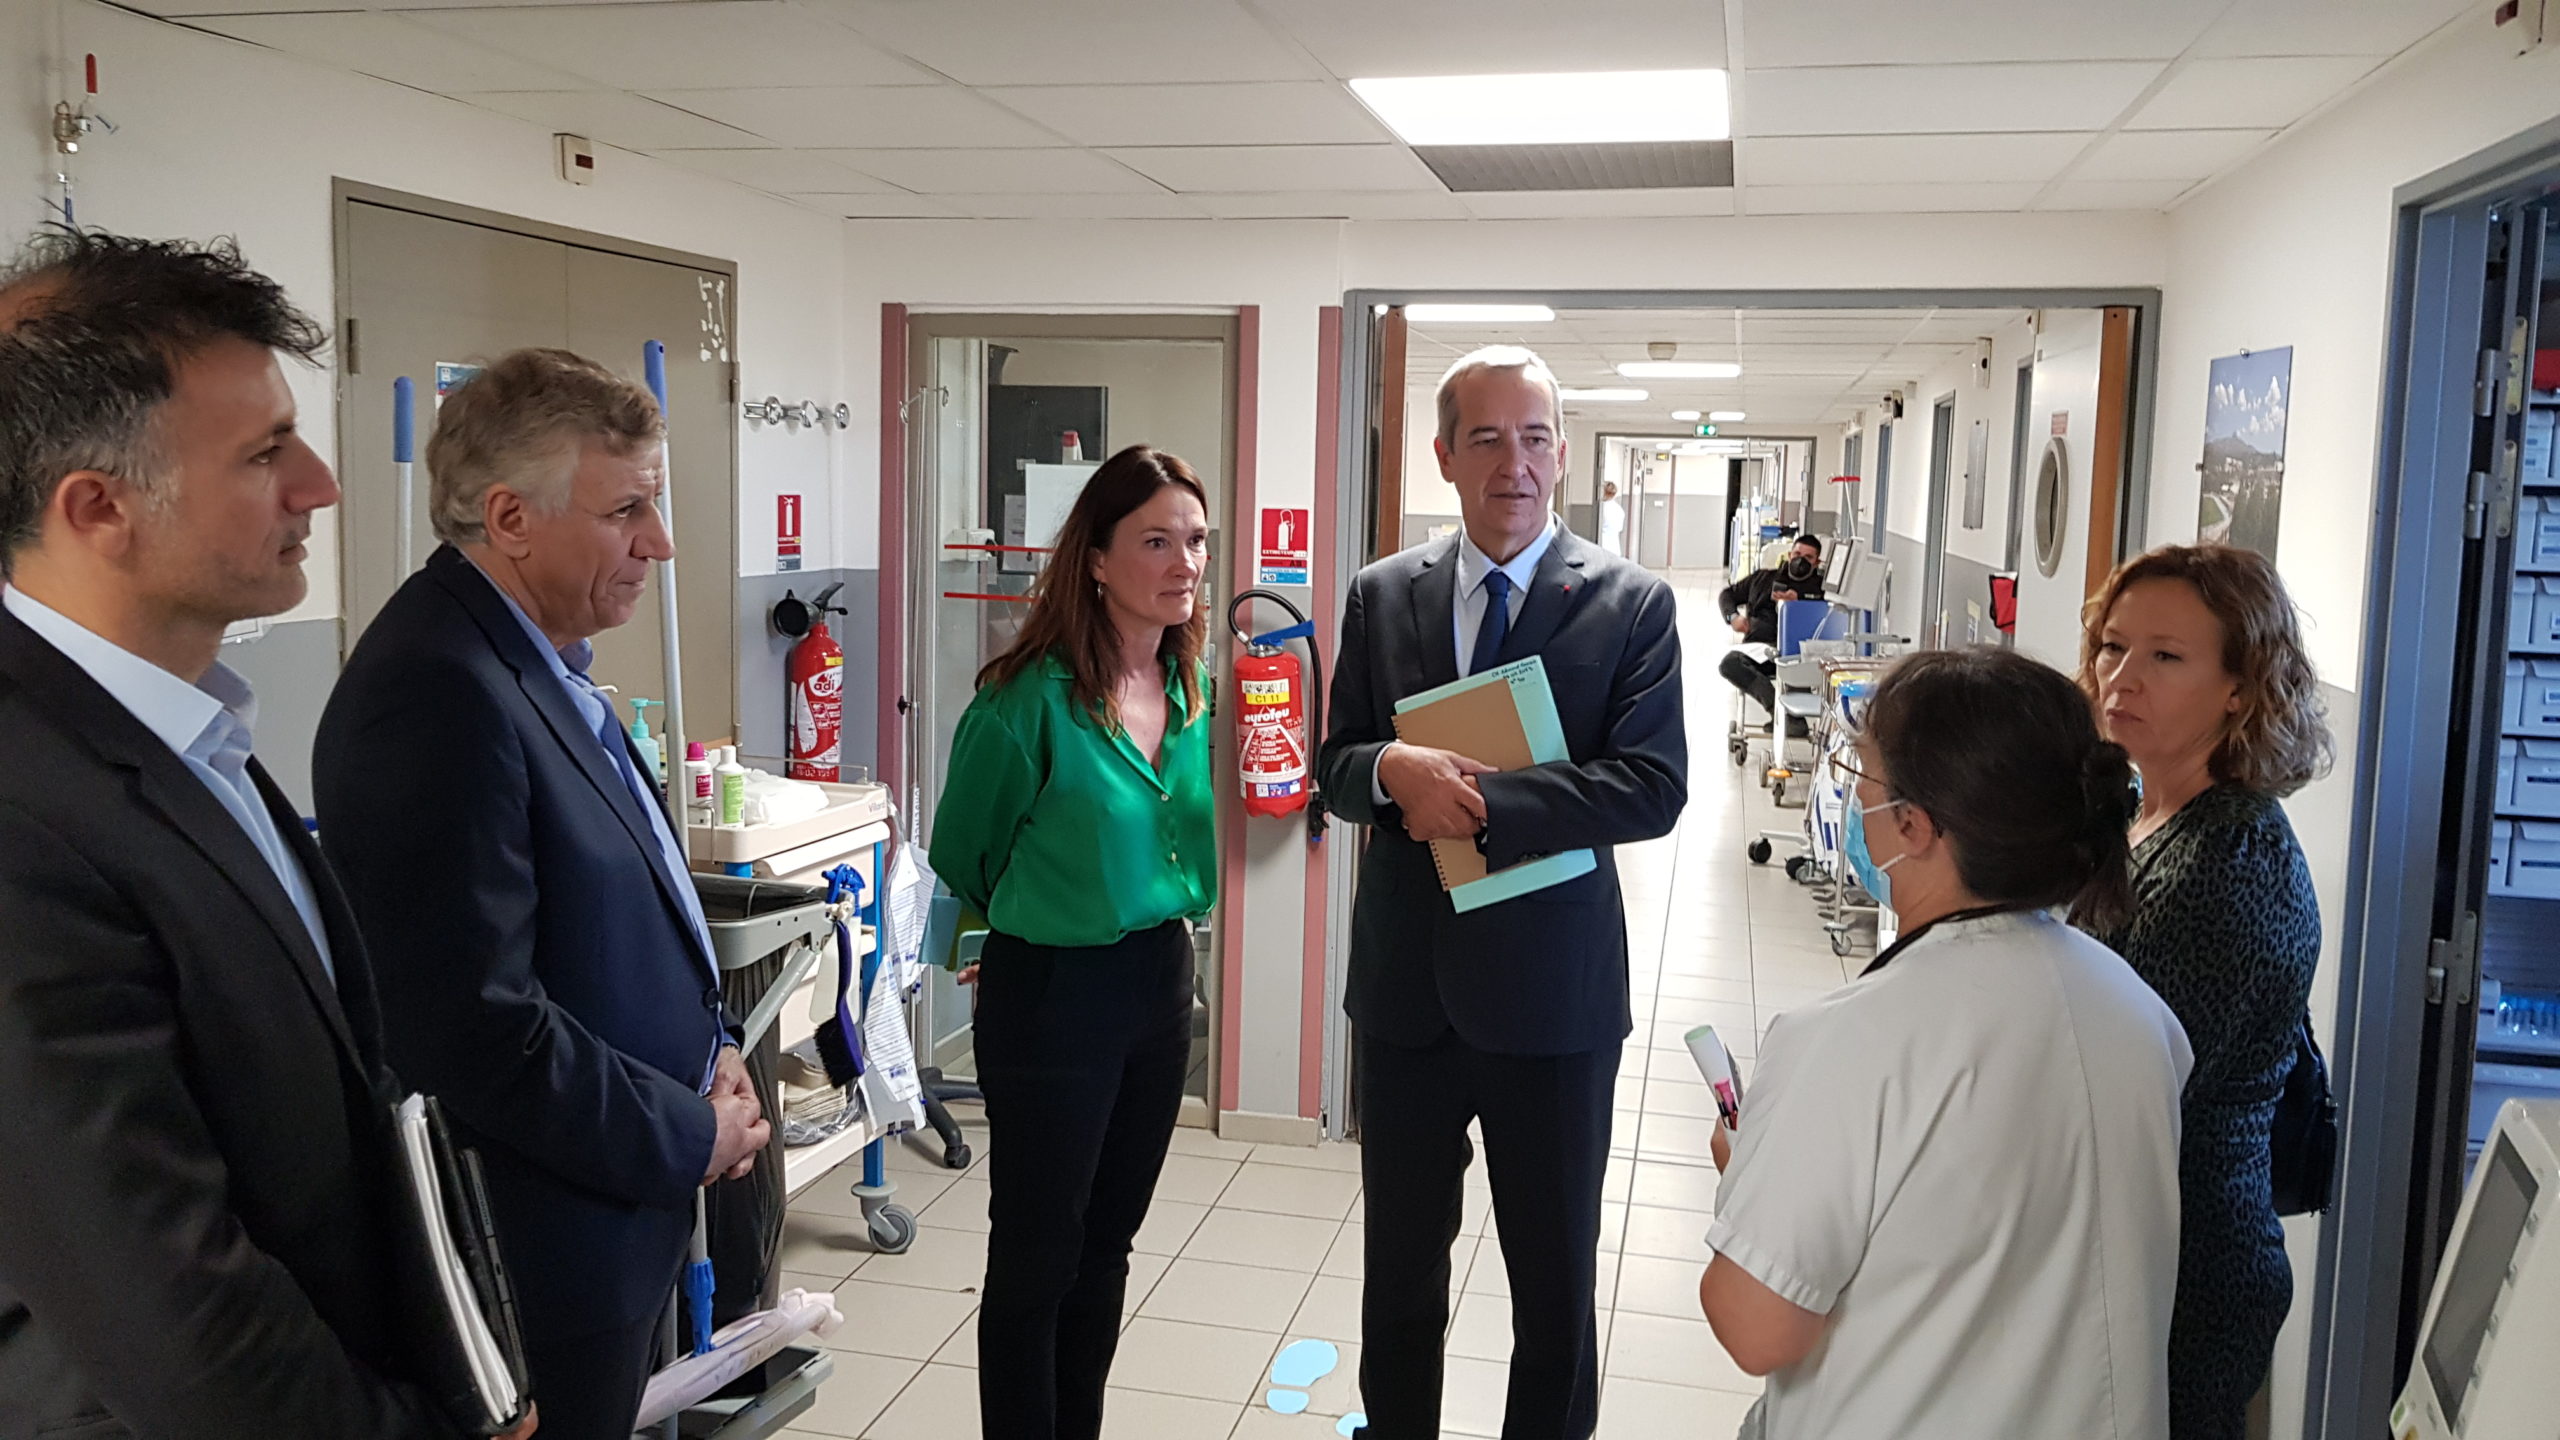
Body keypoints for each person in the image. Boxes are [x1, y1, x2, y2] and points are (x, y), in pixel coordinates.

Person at [0, 228, 530, 1438]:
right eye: (263, 453)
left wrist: (473, 1374)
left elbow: (344, 1112)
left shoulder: (193, 743)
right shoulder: (25, 817)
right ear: (100, 509)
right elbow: (170, 1306)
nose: (320, 486)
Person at [315, 348, 767, 1440]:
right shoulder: (437, 692)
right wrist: (685, 1133)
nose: (658, 544)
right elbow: (471, 1026)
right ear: (511, 517)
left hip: (614, 1208)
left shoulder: (542, 666)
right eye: (629, 512)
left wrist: (710, 1042)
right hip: (538, 1253)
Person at [1317, 345, 1686, 1440]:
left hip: (1552, 1000)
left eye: (1533, 439)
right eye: (1485, 438)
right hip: (1408, 999)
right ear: (1444, 455)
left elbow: (1653, 787)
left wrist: (1480, 805)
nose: (1511, 464)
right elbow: (1339, 760)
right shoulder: (1384, 594)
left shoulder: (1630, 605)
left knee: (1554, 1282)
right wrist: (1390, 773)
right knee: (1397, 1279)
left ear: (1561, 455)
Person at [1700, 646, 2190, 1440]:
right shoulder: (2137, 1014)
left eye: (1863, 776)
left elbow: (1757, 1327)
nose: (1854, 796)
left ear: (1915, 826)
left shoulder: (1851, 1040)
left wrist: (1745, 1174)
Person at [929, 445, 1215, 1440]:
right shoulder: (1024, 704)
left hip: (1157, 979)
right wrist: (981, 935)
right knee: (1037, 1258)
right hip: (1053, 990)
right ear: (1094, 559)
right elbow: (963, 851)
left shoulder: (1190, 694)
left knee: (1107, 1248)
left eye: (1194, 540)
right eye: (1154, 541)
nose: (1184, 563)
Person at [2079, 544, 2332, 1440]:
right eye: (2113, 646)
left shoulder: (2228, 864)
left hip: (2184, 1275)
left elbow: (2118, 1085)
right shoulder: (2149, 810)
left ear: (2241, 688)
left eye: (2165, 657)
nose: (2121, 677)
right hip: (2133, 1243)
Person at [1717, 533, 1825, 729]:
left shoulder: (1821, 589)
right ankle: (1781, 714)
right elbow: (1727, 594)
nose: (1800, 560)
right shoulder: (1764, 578)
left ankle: (1792, 719)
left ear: (1817, 563)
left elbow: (1827, 619)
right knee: (1730, 664)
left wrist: (1798, 604)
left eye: (1808, 558)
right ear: (1789, 554)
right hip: (1760, 649)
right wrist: (1733, 617)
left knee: (1794, 670)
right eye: (1797, 554)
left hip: (1797, 651)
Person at [1598, 479, 1626, 556]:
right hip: (1615, 548)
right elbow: (1620, 529)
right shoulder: (1620, 510)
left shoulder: (1600, 508)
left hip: (1602, 547)